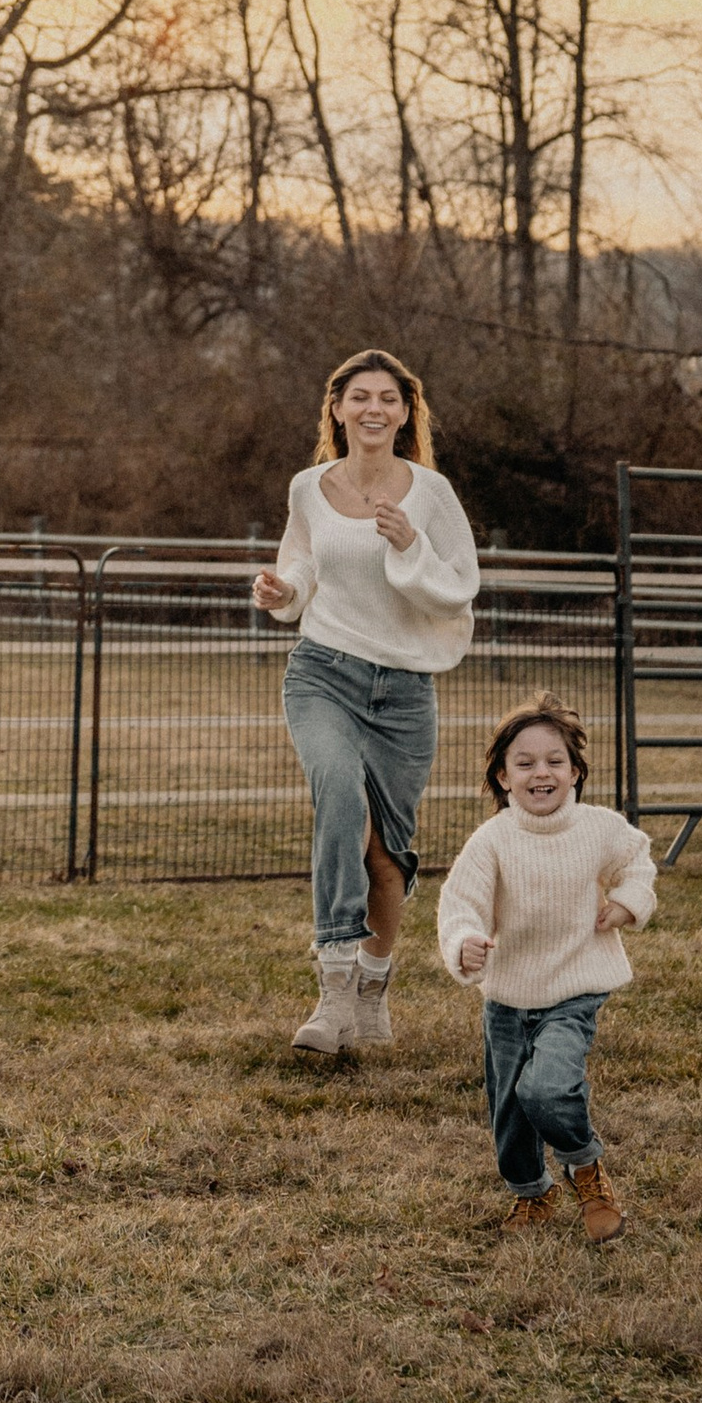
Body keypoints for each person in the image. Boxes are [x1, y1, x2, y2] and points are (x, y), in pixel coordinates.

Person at [251, 347, 480, 1056]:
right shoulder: (308, 487)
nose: (373, 408)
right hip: (323, 672)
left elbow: (460, 585)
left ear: (406, 413)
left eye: (387, 398)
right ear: (338, 408)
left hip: (404, 691)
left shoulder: (431, 494)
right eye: (360, 397)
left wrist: (410, 544)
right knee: (339, 796)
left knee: (386, 855)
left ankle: (373, 989)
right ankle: (333, 983)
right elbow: (300, 562)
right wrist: (283, 590)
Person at [433, 695, 656, 1243]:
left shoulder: (598, 828)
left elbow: (637, 860)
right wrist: (464, 943)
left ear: (575, 771)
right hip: (508, 997)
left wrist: (628, 902)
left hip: (574, 988)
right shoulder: (492, 841)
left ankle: (585, 1167)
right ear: (503, 777)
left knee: (546, 1089)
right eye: (525, 763)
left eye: (555, 761)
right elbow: (460, 904)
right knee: (510, 1108)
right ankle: (531, 1192)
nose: (542, 773)